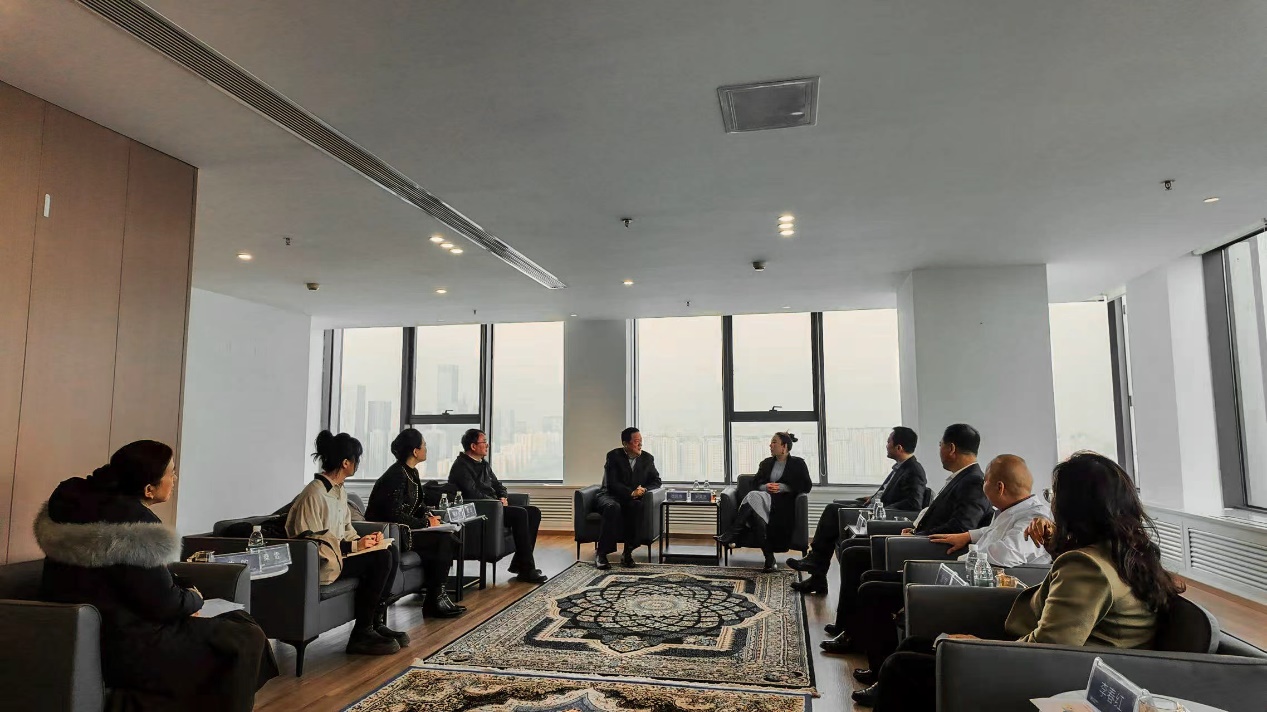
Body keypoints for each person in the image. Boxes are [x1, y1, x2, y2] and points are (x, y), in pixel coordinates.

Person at [867, 452, 1181, 711]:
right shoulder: (1126, 552)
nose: (1050, 503)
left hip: (1056, 678)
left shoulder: (1086, 567)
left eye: (1053, 495)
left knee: (901, 668)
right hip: (1069, 662)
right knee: (914, 645)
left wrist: (981, 646)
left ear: (1073, 506)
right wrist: (1055, 544)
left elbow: (1049, 649)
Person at [35, 440, 278, 711]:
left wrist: (182, 589)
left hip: (91, 632)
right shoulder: (136, 527)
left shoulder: (83, 509)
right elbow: (164, 604)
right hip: (127, 643)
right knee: (245, 639)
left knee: (239, 623)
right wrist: (194, 599)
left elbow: (134, 581)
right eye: (171, 472)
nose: (175, 479)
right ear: (149, 489)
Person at [847, 454, 1051, 704]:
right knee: (872, 581)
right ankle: (880, 672)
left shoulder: (1034, 518)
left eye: (986, 481)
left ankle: (883, 675)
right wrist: (969, 536)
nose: (982, 485)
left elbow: (1006, 554)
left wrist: (968, 554)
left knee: (874, 592)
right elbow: (992, 531)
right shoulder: (1013, 508)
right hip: (967, 578)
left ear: (999, 487)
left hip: (985, 592)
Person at [822, 423, 991, 648]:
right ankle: (849, 626)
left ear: (951, 448)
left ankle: (853, 633)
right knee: (852, 550)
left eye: (940, 445)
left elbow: (960, 527)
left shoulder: (972, 481)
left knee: (854, 556)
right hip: (919, 538)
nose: (939, 450)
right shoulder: (961, 477)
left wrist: (919, 535)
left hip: (932, 549)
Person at [287, 431, 409, 655]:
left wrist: (364, 541)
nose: (357, 464)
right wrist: (354, 547)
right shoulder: (314, 494)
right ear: (346, 463)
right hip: (323, 564)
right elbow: (311, 542)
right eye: (356, 459)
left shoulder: (339, 491)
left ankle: (375, 622)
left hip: (340, 556)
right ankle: (362, 633)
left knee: (389, 550)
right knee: (381, 559)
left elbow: (346, 530)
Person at [787, 426, 926, 593]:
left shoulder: (914, 470)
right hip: (870, 508)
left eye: (888, 441)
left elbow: (913, 504)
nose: (886, 445)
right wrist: (872, 499)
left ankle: (816, 562)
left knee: (832, 510)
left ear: (899, 447)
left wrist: (880, 507)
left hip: (878, 517)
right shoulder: (901, 467)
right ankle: (817, 576)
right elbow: (890, 493)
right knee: (833, 513)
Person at [365, 428, 466, 618]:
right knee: (443, 541)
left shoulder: (411, 472)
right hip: (392, 534)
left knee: (451, 538)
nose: (426, 449)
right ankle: (434, 600)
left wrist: (429, 516)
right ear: (415, 451)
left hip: (407, 530)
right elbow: (393, 514)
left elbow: (418, 504)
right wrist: (425, 522)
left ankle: (438, 595)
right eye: (424, 445)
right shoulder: (396, 475)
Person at [447, 428, 547, 583]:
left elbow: (498, 485)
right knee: (520, 514)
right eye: (484, 442)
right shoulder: (461, 466)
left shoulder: (483, 464)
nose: (487, 445)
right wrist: (496, 503)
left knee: (534, 512)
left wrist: (503, 497)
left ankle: (520, 565)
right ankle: (527, 569)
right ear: (473, 446)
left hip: (495, 507)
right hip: (481, 511)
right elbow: (473, 494)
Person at [716, 432, 814, 571]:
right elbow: (754, 483)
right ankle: (769, 559)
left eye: (774, 442)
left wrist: (784, 487)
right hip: (763, 501)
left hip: (782, 505)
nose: (770, 445)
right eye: (771, 442)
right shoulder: (766, 463)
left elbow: (806, 486)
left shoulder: (798, 463)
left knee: (755, 503)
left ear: (784, 446)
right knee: (755, 500)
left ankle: (732, 534)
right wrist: (765, 487)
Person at [593, 427, 663, 570]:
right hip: (609, 495)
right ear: (625, 444)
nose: (640, 444)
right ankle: (601, 554)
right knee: (613, 507)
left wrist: (644, 490)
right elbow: (613, 483)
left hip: (629, 499)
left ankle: (627, 553)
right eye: (636, 441)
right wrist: (631, 493)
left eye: (641, 441)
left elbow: (656, 481)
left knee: (636, 506)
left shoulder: (647, 458)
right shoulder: (613, 456)